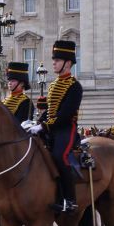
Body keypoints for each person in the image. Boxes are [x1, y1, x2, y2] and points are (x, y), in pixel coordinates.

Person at [27, 40, 82, 213]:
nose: (54, 63)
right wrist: (36, 122)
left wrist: (44, 126)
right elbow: (50, 111)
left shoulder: (74, 86)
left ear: (68, 63)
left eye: (57, 60)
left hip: (66, 129)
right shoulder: (53, 85)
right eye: (54, 60)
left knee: (60, 156)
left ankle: (70, 200)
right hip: (51, 128)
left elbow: (65, 114)